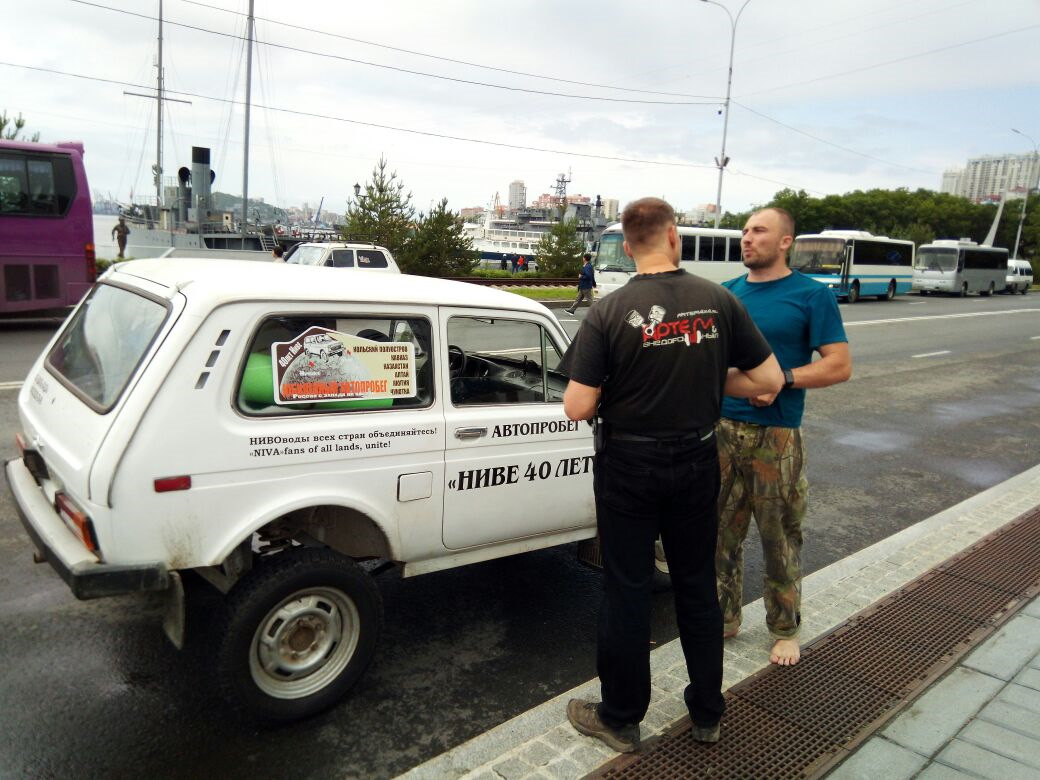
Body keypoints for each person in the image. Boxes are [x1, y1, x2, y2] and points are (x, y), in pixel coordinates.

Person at [560, 197, 783, 753]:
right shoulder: (719, 299)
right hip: (697, 460)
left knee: (627, 590)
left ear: (630, 245)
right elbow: (768, 378)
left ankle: (620, 718)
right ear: (674, 237)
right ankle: (707, 713)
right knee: (695, 586)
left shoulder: (609, 311)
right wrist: (707, 381)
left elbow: (578, 406)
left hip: (629, 466)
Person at [715, 207, 852, 667]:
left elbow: (839, 365)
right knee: (716, 535)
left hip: (777, 435)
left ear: (786, 241)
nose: (747, 239)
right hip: (721, 431)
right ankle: (724, 618)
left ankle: (784, 628)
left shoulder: (811, 297)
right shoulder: (727, 295)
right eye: (745, 231)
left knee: (779, 537)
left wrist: (782, 379)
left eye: (759, 231)